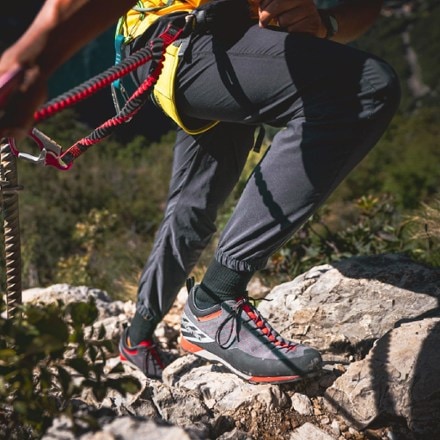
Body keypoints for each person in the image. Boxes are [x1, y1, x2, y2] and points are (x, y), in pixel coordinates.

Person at [0, 0, 400, 384]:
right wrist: (33, 56)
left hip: (221, 51)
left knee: (191, 209)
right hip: (187, 42)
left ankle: (136, 337)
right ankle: (215, 301)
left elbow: (365, 6)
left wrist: (324, 22)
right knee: (362, 87)